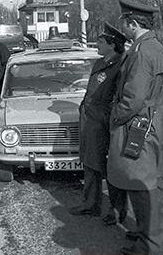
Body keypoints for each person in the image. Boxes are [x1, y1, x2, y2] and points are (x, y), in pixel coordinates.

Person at [107, 0, 163, 255]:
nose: (122, 27)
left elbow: (133, 99)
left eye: (124, 22)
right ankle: (144, 236)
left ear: (132, 23)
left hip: (140, 126)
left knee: (145, 187)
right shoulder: (147, 45)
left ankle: (150, 246)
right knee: (139, 184)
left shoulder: (144, 51)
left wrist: (114, 116)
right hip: (148, 121)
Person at [69, 22, 126, 220]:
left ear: (113, 44)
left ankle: (116, 211)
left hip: (103, 122)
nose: (96, 45)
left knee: (110, 168)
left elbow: (118, 98)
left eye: (101, 42)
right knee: (90, 164)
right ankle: (90, 204)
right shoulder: (100, 62)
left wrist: (106, 118)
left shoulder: (121, 65)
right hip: (89, 120)